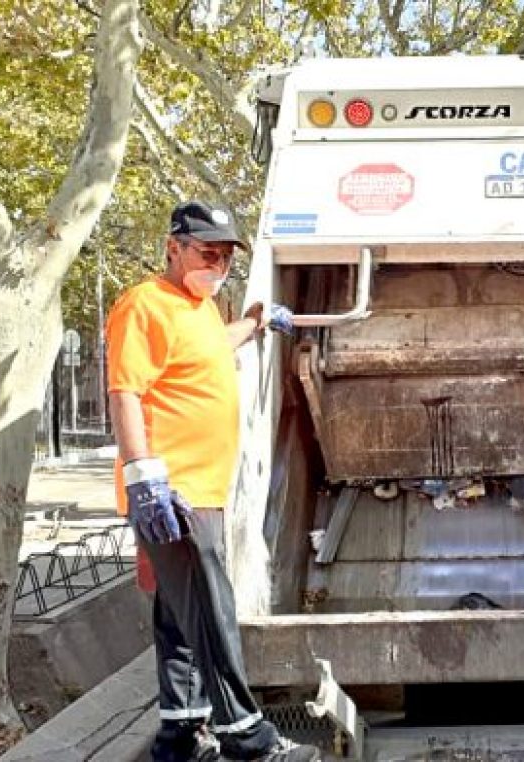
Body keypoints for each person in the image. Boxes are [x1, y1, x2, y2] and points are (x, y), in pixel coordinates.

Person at [106, 200, 311, 762]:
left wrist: (258, 321)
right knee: (214, 612)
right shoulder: (144, 305)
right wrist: (144, 476)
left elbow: (211, 349)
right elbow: (125, 390)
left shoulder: (198, 308)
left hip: (202, 491)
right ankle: (247, 736)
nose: (217, 263)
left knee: (180, 614)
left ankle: (180, 734)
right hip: (173, 493)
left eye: (224, 256)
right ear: (173, 247)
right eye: (207, 252)